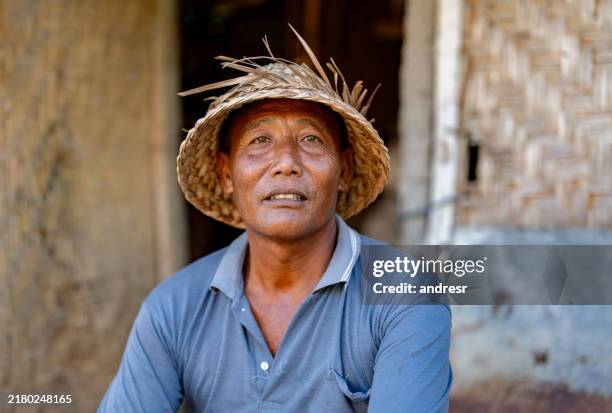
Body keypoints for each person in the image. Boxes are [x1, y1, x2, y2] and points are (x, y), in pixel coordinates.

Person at [98, 25, 452, 413]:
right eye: (259, 140)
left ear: (345, 170)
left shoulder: (404, 296)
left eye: (311, 139)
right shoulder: (173, 309)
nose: (285, 162)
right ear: (225, 173)